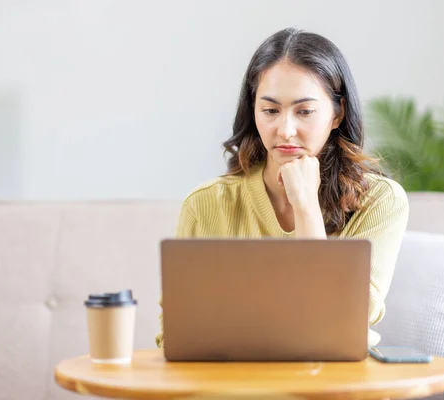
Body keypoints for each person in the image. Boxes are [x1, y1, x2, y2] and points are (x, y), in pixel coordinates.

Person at [155, 27, 409, 348]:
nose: (285, 130)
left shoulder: (379, 201)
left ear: (337, 114)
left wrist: (305, 206)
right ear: (254, 110)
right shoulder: (206, 204)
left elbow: (343, 315)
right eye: (271, 110)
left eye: (304, 111)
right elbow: (174, 334)